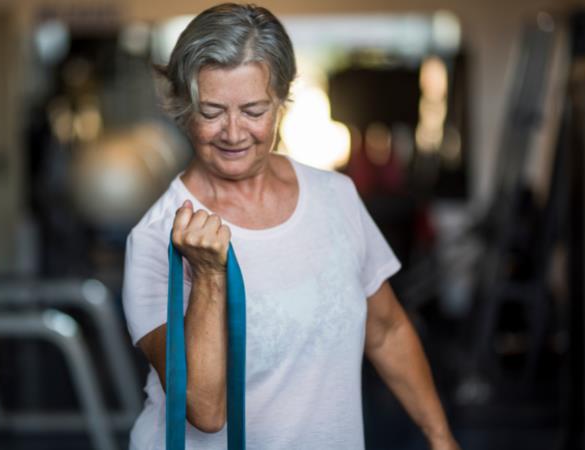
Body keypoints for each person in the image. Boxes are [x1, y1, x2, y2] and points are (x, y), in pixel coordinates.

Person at [122, 3, 460, 449]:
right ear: (184, 106)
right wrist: (207, 277)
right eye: (212, 111)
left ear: (282, 100)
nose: (233, 132)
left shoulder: (335, 197)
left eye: (253, 110)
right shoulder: (156, 238)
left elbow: (386, 329)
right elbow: (204, 412)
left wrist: (440, 437)